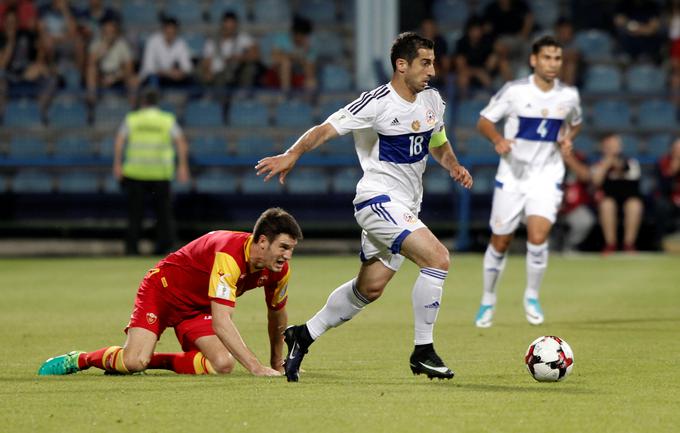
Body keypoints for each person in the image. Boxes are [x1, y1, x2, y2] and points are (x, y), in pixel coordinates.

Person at [256, 32, 473, 382]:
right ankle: (423, 350)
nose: (432, 70)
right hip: (377, 200)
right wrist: (292, 153)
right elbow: (325, 129)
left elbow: (438, 141)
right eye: (425, 62)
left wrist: (453, 165)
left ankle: (304, 334)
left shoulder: (432, 100)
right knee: (438, 258)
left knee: (369, 289)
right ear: (401, 65)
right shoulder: (376, 103)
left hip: (406, 208)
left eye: (433, 62)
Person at [38, 207, 302, 377]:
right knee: (133, 362)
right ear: (263, 242)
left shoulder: (279, 270)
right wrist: (256, 368)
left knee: (222, 364)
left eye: (291, 249)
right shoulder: (229, 255)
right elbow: (222, 322)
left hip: (197, 308)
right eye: (283, 247)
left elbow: (276, 315)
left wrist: (276, 361)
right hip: (161, 292)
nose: (287, 256)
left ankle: (152, 361)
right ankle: (81, 359)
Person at [474, 35, 582, 328]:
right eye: (547, 57)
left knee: (537, 237)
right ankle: (488, 300)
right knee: (501, 241)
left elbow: (575, 122)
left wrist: (568, 140)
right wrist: (497, 139)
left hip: (547, 176)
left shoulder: (568, 95)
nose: (552, 63)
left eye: (557, 58)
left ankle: (531, 296)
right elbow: (484, 120)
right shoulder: (514, 91)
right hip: (512, 177)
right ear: (534, 60)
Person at [112, 88, 190, 256]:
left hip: (135, 173)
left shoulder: (132, 119)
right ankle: (166, 248)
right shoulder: (166, 119)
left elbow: (119, 140)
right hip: (160, 174)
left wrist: (117, 165)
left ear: (143, 101)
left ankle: (131, 249)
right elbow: (180, 141)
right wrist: (183, 166)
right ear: (157, 102)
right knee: (164, 215)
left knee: (135, 215)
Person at [591, 133, 643, 254]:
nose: (613, 148)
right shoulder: (598, 163)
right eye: (609, 146)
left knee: (634, 205)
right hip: (607, 199)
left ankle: (629, 244)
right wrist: (607, 164)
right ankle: (610, 244)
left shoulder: (630, 162)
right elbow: (596, 181)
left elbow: (634, 180)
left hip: (628, 197)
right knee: (607, 205)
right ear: (603, 147)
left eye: (615, 145)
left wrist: (618, 167)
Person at [85, 12, 137, 107]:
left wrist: (114, 78)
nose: (109, 34)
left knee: (133, 80)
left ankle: (133, 108)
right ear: (102, 31)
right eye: (106, 32)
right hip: (101, 77)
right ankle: (91, 106)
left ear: (115, 31)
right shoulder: (96, 43)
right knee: (91, 70)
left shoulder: (122, 44)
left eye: (111, 32)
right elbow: (90, 62)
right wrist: (104, 48)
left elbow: (129, 68)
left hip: (117, 77)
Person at [199, 11, 255, 88]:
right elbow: (207, 60)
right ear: (223, 25)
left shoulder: (242, 38)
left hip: (236, 72)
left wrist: (241, 57)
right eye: (227, 26)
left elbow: (255, 54)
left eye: (232, 26)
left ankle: (244, 94)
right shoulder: (212, 41)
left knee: (250, 69)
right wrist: (207, 71)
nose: (230, 29)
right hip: (217, 73)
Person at [139, 16, 193, 89]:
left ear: (176, 31)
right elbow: (148, 67)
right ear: (163, 30)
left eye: (173, 32)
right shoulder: (153, 41)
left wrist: (180, 73)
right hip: (151, 76)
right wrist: (168, 72)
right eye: (168, 32)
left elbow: (188, 67)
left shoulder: (181, 43)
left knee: (191, 81)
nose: (170, 35)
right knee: (153, 79)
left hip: (170, 77)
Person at [558, 149, 595, 253]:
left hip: (571, 205)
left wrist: (570, 160)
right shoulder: (544, 154)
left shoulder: (578, 157)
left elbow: (586, 176)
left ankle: (570, 246)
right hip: (546, 202)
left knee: (585, 219)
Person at [655, 137, 680, 241]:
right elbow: (663, 186)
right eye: (677, 148)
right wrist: (673, 170)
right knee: (661, 205)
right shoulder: (664, 162)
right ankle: (661, 241)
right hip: (667, 197)